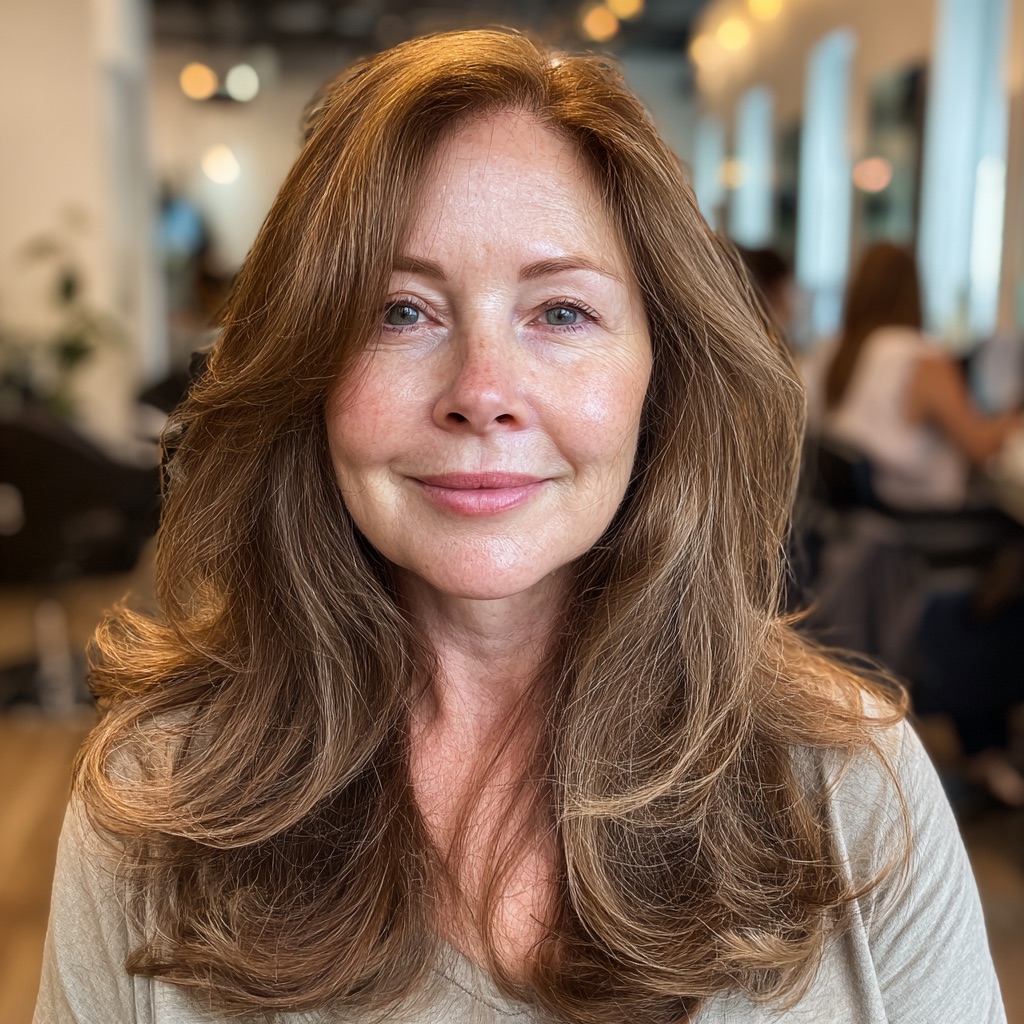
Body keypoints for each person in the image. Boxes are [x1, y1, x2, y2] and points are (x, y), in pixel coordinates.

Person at [35, 30, 1004, 1024]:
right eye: (399, 312)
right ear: (306, 369)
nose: (482, 392)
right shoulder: (159, 802)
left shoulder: (852, 791)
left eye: (562, 312)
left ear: (661, 373)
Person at [822, 242, 1024, 807]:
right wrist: (1012, 413)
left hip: (863, 546)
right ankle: (987, 746)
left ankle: (984, 750)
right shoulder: (918, 357)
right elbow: (980, 446)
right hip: (923, 543)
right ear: (915, 290)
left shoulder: (835, 353)